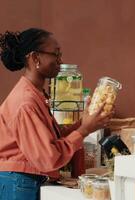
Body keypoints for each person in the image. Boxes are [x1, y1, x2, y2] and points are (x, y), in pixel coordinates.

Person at [0, 28, 113, 200]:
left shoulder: (35, 94)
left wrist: (85, 123)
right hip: (19, 184)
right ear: (35, 58)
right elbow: (48, 157)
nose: (60, 60)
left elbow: (51, 140)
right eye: (56, 54)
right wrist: (83, 130)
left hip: (23, 181)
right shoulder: (26, 103)